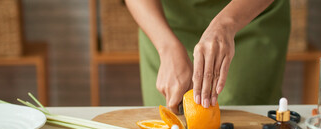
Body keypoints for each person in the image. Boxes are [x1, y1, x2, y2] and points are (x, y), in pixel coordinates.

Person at [124, 0, 290, 114]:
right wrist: (166, 47)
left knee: (242, 124)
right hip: (165, 21)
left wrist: (226, 24)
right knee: (169, 127)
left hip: (249, 15)